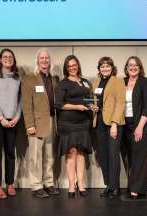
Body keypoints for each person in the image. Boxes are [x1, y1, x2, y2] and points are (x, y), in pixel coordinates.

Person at [21, 48, 60, 198]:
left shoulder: (54, 79)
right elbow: (26, 104)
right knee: (35, 156)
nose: (44, 60)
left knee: (50, 155)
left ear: (50, 61)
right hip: (36, 124)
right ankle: (36, 185)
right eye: (41, 58)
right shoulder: (30, 78)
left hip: (52, 121)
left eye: (47, 58)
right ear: (37, 61)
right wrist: (29, 124)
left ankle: (48, 183)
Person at [55, 55, 94, 198]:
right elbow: (59, 104)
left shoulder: (86, 82)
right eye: (69, 66)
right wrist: (77, 106)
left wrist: (92, 106)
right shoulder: (63, 83)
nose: (72, 68)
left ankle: (81, 183)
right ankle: (71, 185)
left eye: (74, 65)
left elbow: (89, 100)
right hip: (68, 123)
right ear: (66, 68)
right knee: (71, 152)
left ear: (78, 66)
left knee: (81, 152)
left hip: (83, 123)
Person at [0, 48, 22, 199]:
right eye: (5, 57)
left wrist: (17, 116)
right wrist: (1, 117)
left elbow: (20, 100)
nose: (8, 59)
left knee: (10, 153)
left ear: (13, 60)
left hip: (13, 120)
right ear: (0, 60)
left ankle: (10, 183)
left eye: (10, 57)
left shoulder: (17, 77)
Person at [92, 56, 126, 199]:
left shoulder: (118, 81)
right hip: (98, 122)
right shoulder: (96, 81)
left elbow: (120, 103)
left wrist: (114, 124)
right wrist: (93, 107)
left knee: (113, 155)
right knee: (103, 155)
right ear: (99, 69)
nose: (105, 68)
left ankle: (115, 187)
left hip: (113, 124)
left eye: (107, 66)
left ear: (112, 68)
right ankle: (108, 185)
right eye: (102, 66)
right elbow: (96, 100)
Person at [121, 56, 147, 199]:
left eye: (135, 65)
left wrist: (140, 127)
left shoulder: (145, 82)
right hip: (126, 124)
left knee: (139, 157)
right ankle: (140, 183)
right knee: (131, 157)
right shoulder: (122, 82)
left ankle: (136, 188)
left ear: (140, 68)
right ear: (126, 67)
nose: (132, 67)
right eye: (130, 65)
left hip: (142, 125)